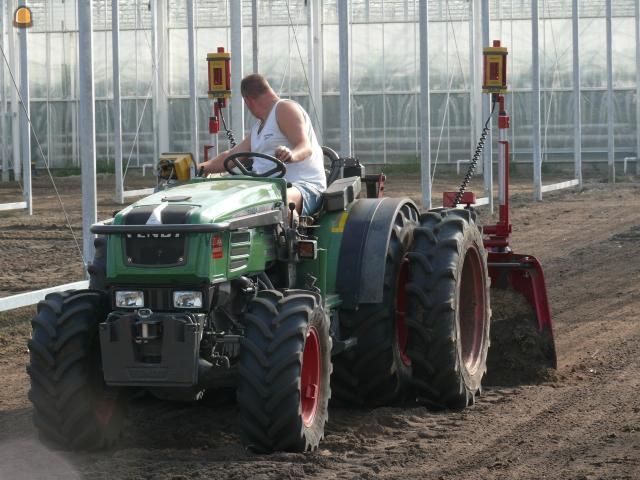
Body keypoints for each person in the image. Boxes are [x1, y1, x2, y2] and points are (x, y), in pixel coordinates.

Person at [198, 73, 326, 216]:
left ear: (247, 101)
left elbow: (305, 147)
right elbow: (230, 156)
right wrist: (198, 168)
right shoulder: (258, 128)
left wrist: (291, 154)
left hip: (303, 187)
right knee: (227, 201)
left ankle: (288, 234)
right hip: (267, 189)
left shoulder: (284, 109)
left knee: (277, 204)